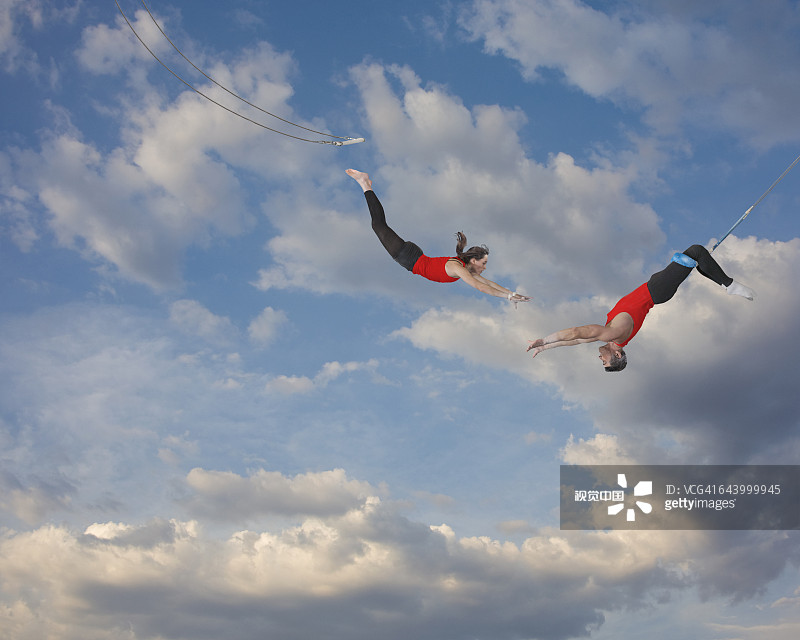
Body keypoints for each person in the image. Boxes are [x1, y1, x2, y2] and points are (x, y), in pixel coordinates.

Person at [526, 244, 755, 371]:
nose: (600, 359)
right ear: (617, 354)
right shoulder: (613, 334)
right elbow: (576, 332)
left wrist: (544, 347)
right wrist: (544, 339)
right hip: (657, 290)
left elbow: (575, 340)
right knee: (695, 251)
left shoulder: (610, 337)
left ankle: (720, 279)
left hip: (655, 289)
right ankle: (729, 284)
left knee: (695, 259)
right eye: (606, 361)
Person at [346, 169, 530, 303]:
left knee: (378, 225)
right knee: (378, 225)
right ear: (474, 261)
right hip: (409, 257)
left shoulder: (465, 269)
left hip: (414, 257)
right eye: (484, 263)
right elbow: (480, 287)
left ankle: (365, 185)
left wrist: (512, 294)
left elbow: (489, 283)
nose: (485, 268)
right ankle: (365, 183)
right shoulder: (457, 268)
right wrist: (507, 296)